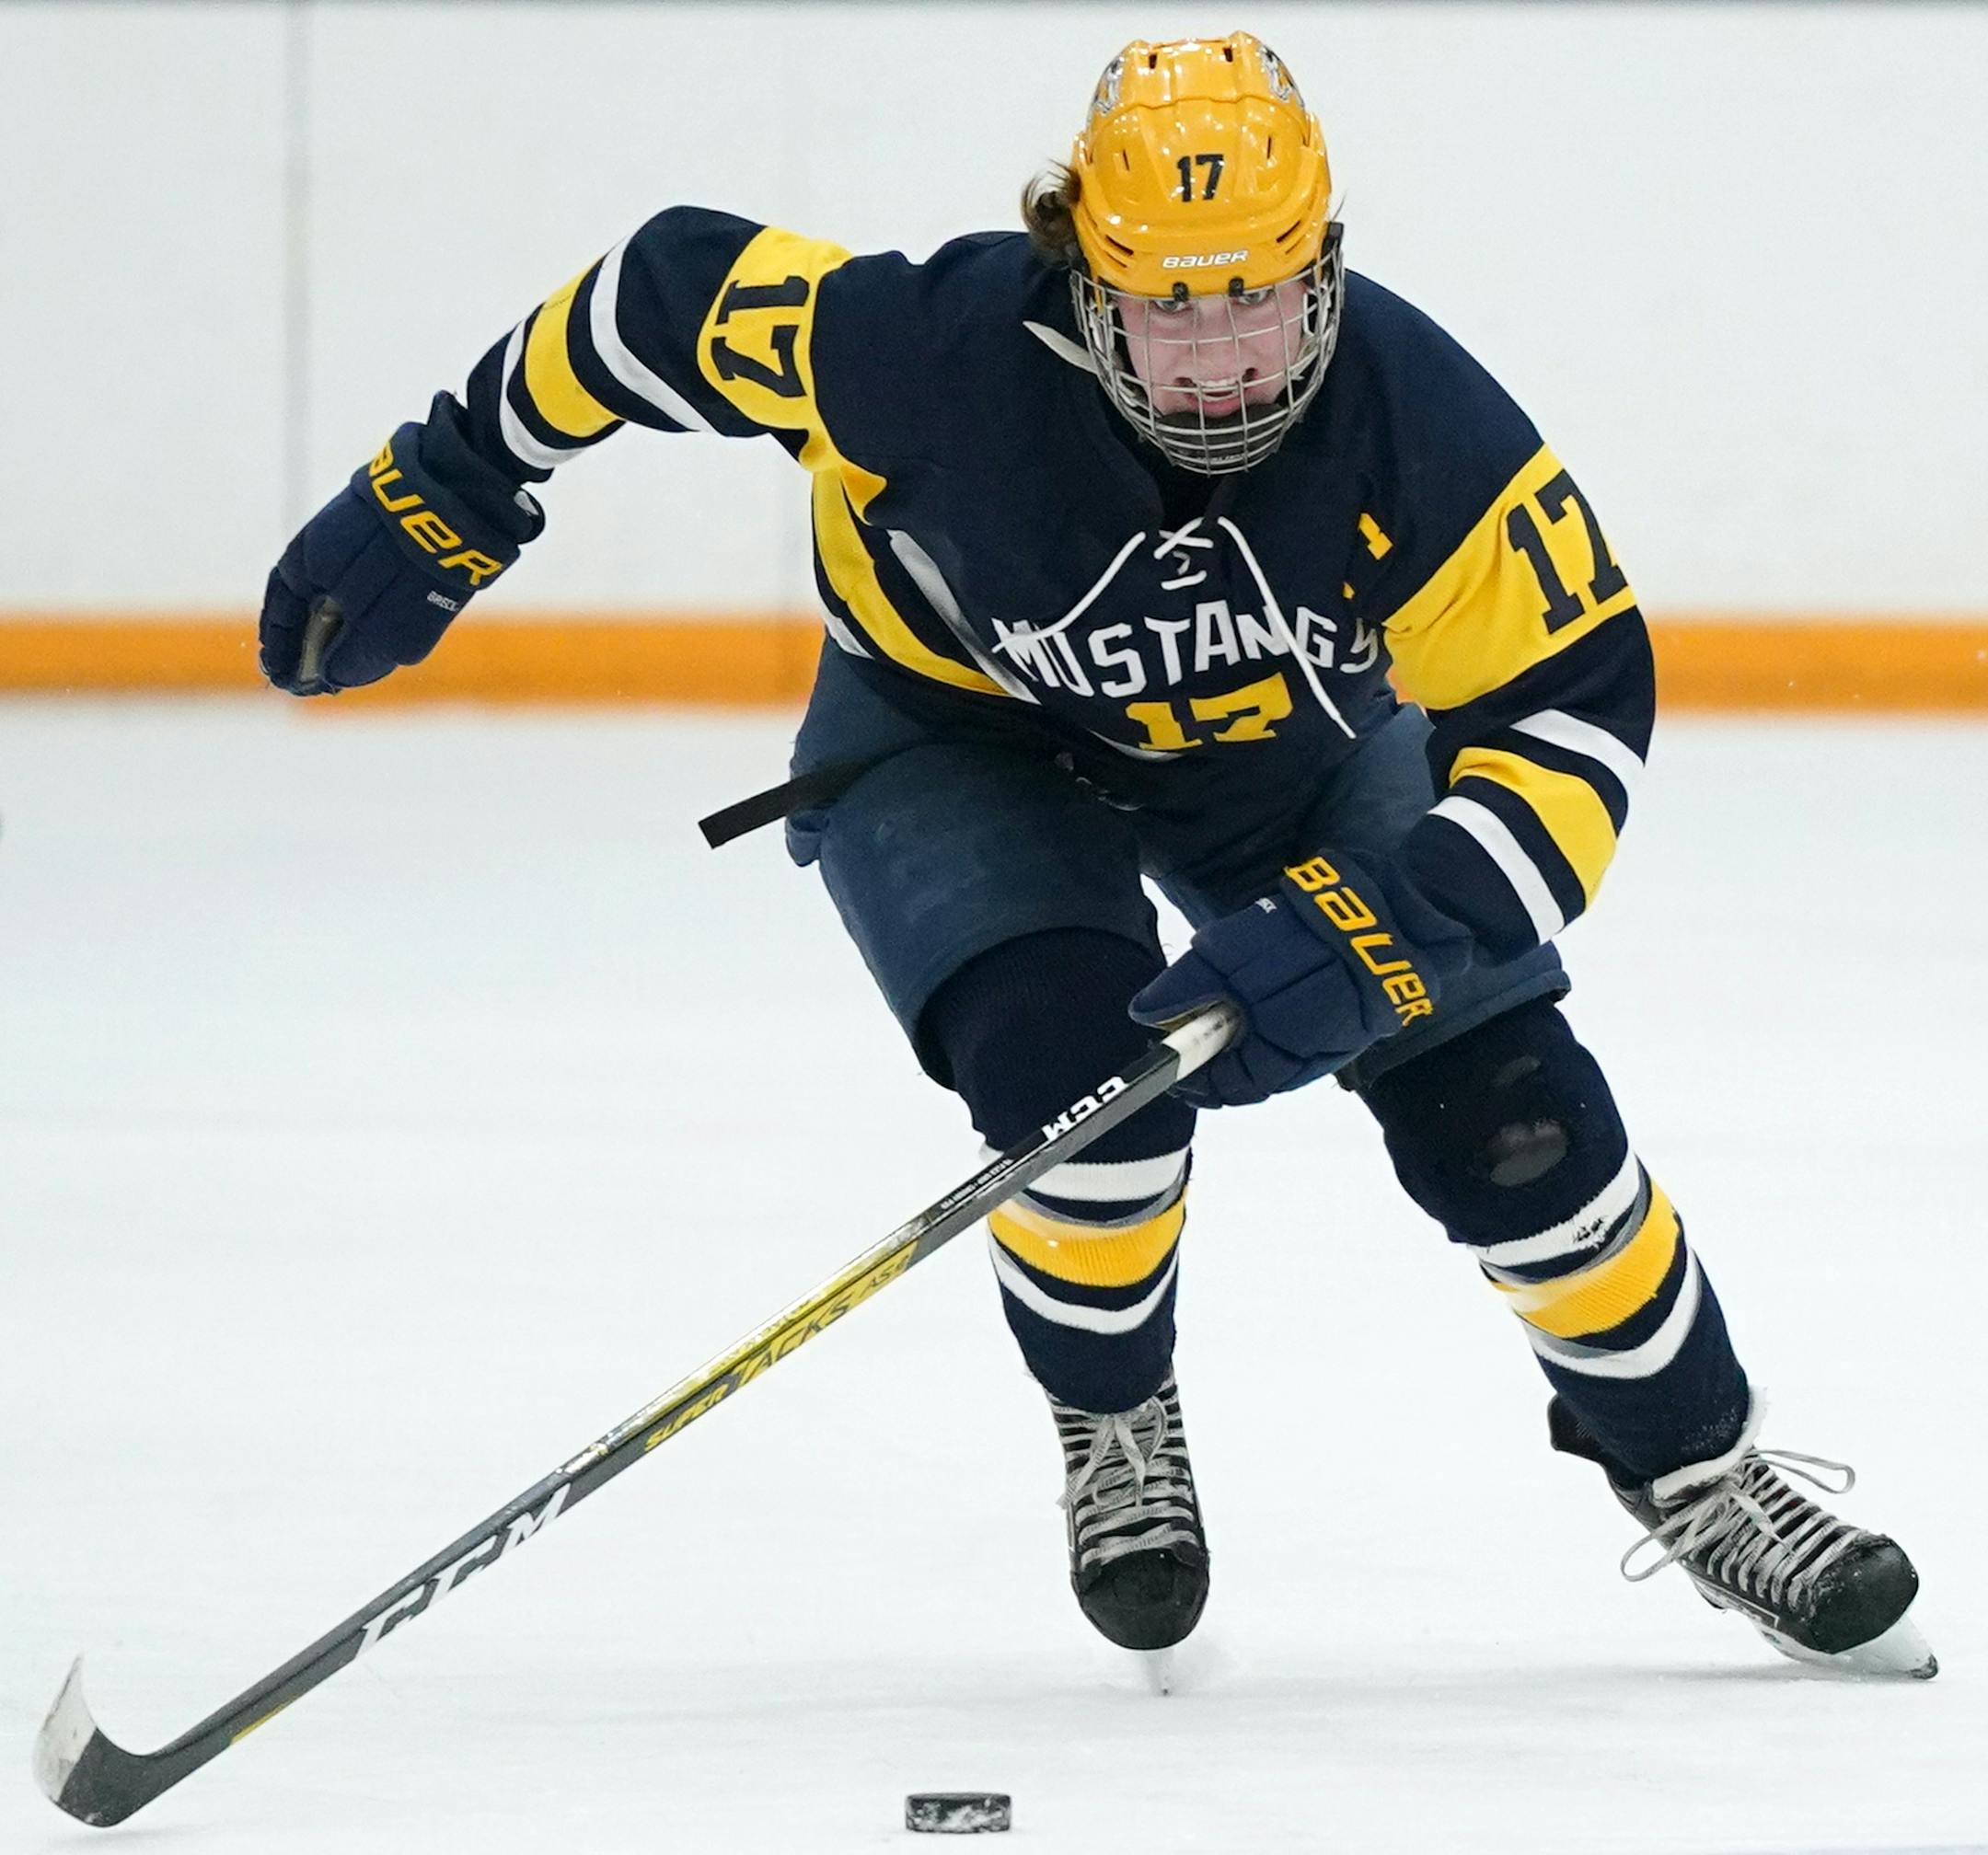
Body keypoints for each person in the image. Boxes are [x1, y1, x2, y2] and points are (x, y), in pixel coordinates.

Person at [259, 32, 1933, 1677]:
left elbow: (1575, 706)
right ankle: (1115, 1410)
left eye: (1260, 299)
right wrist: (448, 482)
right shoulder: (917, 350)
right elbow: (656, 296)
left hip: (1300, 759)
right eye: (1169, 307)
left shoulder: (1419, 415)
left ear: (1324, 269)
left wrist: (1393, 915)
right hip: (952, 743)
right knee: (1076, 1084)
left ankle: (1703, 1471)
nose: (1221, 361)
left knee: (1512, 1114)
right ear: (1084, 269)